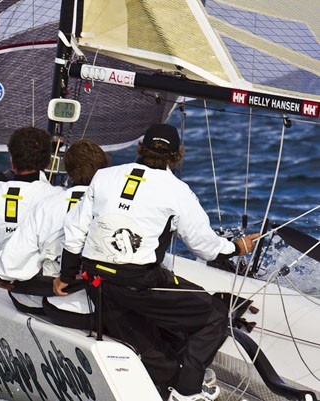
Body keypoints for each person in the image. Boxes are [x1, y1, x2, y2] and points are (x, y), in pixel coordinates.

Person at [53, 123, 259, 401]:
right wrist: (236, 247)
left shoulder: (104, 176)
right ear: (176, 155)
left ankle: (166, 384)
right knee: (215, 316)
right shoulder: (177, 190)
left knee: (148, 338)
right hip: (139, 283)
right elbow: (204, 247)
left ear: (141, 147)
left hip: (96, 281)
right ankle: (188, 392)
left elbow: (75, 230)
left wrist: (66, 276)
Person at [0, 139, 109, 317]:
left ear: (69, 173)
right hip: (100, 304)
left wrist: (2, 274)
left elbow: (11, 264)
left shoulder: (47, 206)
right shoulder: (112, 207)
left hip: (48, 300)